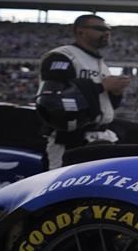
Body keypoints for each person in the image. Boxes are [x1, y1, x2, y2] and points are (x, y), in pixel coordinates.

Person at [35, 14, 131, 168]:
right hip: (72, 139)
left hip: (102, 137)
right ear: (80, 32)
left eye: (108, 30)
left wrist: (116, 92)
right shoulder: (63, 56)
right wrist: (102, 86)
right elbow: (50, 101)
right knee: (64, 187)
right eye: (99, 29)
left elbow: (106, 106)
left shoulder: (101, 64)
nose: (106, 33)